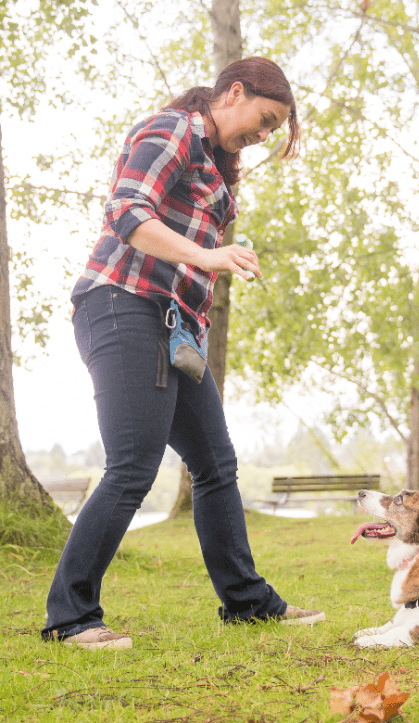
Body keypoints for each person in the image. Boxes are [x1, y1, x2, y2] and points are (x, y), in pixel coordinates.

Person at [41, 57, 325, 650]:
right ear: (234, 92)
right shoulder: (173, 129)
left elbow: (186, 247)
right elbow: (126, 213)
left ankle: (248, 604)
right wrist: (208, 256)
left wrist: (206, 279)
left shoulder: (219, 170)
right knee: (134, 465)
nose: (264, 135)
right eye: (264, 119)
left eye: (274, 129)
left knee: (217, 466)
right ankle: (71, 616)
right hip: (121, 304)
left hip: (173, 327)